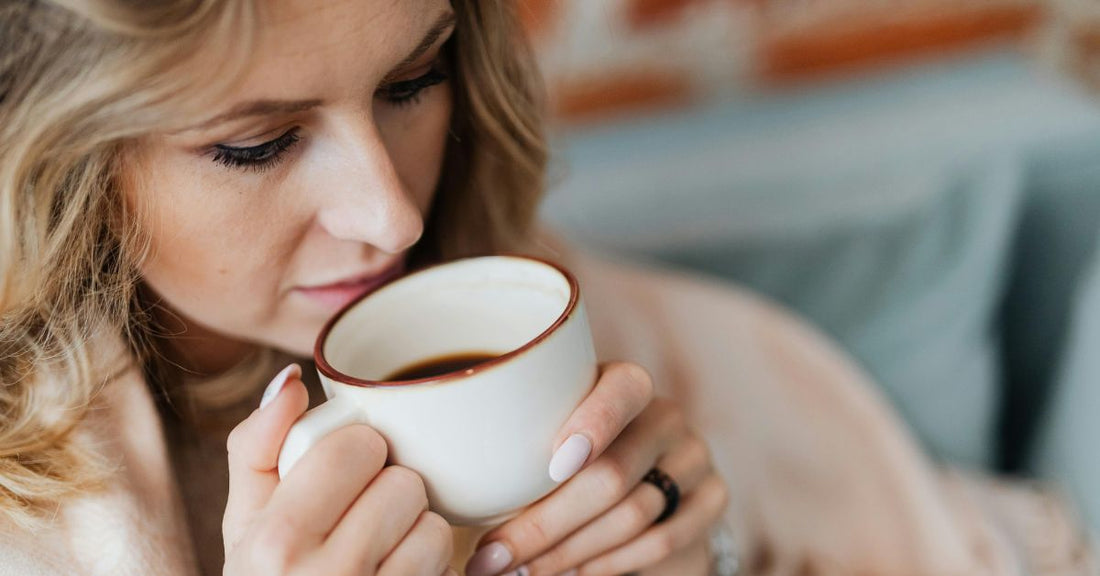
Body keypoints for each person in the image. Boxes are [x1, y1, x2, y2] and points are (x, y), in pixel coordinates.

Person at [0, 1, 1093, 575]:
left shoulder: (543, 315)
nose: (392, 216)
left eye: (412, 81)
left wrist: (686, 558)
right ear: (55, 161)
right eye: (258, 145)